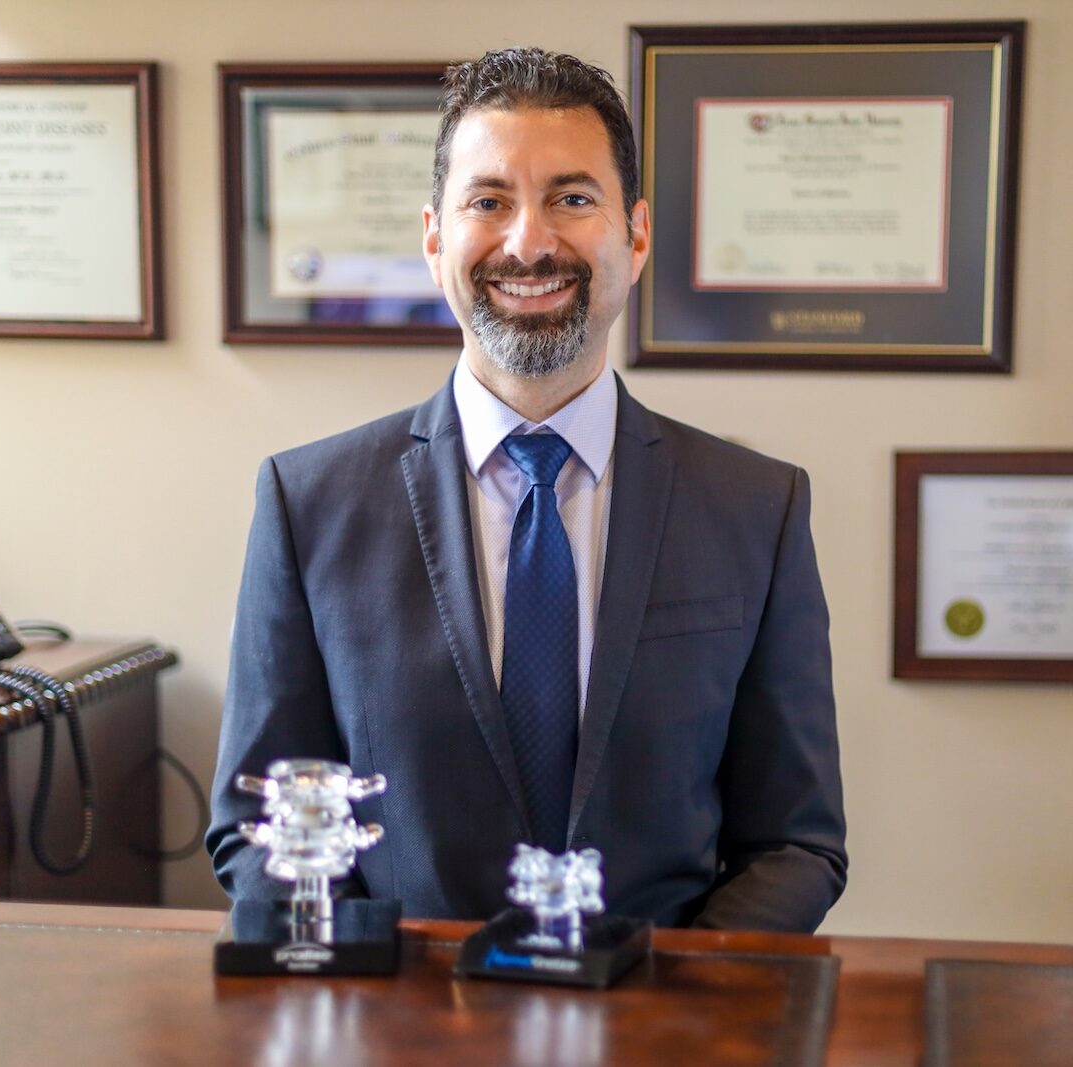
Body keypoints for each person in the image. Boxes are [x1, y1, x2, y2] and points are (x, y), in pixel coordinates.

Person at [207, 47, 847, 932]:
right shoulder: (307, 503)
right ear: (435, 239)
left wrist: (673, 991)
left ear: (636, 235)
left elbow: (795, 844)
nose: (529, 242)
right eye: (489, 202)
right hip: (401, 1002)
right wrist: (385, 987)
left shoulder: (756, 510)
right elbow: (260, 823)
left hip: (663, 1002)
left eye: (572, 199)